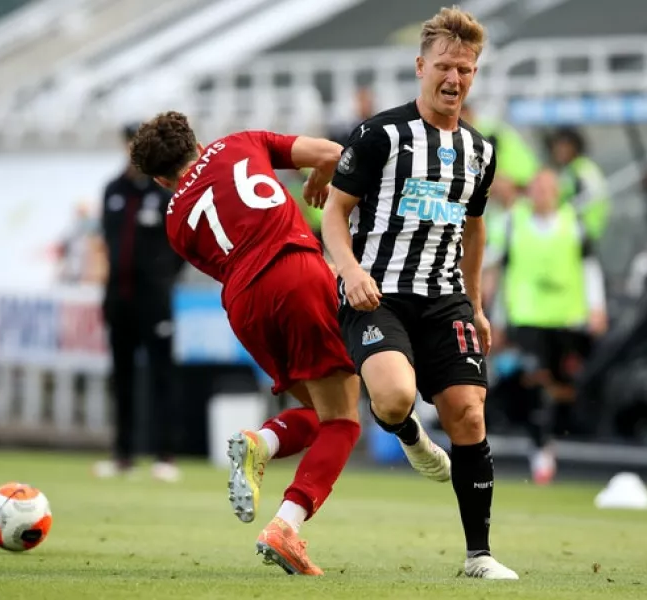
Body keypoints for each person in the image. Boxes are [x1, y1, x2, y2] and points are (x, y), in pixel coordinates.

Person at [321, 6, 518, 580]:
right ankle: (408, 431)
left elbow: (473, 228)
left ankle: (478, 555)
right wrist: (350, 270)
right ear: (420, 66)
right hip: (376, 294)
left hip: (444, 297)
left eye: (466, 68)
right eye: (445, 66)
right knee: (391, 397)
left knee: (468, 415)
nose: (454, 78)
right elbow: (335, 212)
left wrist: (477, 304)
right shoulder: (380, 134)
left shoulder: (481, 152)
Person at [129, 111, 361, 576]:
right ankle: (286, 525)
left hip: (243, 304)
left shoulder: (175, 224)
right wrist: (319, 175)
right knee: (344, 420)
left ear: (159, 178)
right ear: (196, 139)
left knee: (321, 412)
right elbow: (337, 154)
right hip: (293, 268)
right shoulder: (242, 143)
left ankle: (265, 441)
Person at [484, 169, 608, 484]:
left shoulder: (574, 224)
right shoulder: (513, 223)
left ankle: (552, 437)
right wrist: (496, 319)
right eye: (536, 188)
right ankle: (540, 448)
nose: (540, 194)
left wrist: (597, 308)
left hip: (566, 319)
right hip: (526, 318)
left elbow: (589, 267)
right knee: (535, 381)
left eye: (547, 188)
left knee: (563, 387)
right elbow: (502, 271)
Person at [95, 124, 184, 482]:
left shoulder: (162, 192)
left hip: (155, 301)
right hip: (119, 298)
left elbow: (180, 246)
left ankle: (165, 455)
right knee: (122, 377)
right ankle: (122, 455)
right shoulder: (112, 190)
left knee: (162, 376)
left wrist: (163, 281)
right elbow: (108, 243)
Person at [547, 127, 610, 242]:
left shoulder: (584, 168)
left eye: (564, 146)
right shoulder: (569, 170)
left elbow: (595, 194)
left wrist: (563, 211)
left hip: (583, 228)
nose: (559, 150)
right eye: (556, 146)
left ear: (575, 147)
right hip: (575, 229)